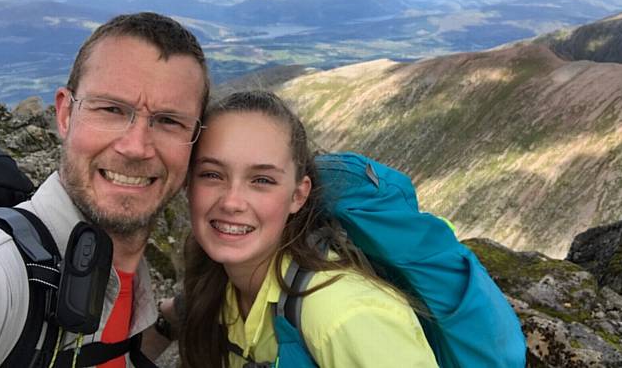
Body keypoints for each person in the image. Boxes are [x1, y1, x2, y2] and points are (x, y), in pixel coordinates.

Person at [0, 12, 210, 367]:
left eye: (169, 121)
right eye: (111, 109)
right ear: (64, 114)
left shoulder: (129, 281)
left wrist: (171, 324)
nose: (136, 146)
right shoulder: (7, 275)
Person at [179, 90, 438, 367]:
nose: (231, 202)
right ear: (188, 183)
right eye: (211, 174)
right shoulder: (220, 284)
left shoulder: (345, 316)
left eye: (262, 180)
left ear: (297, 196)